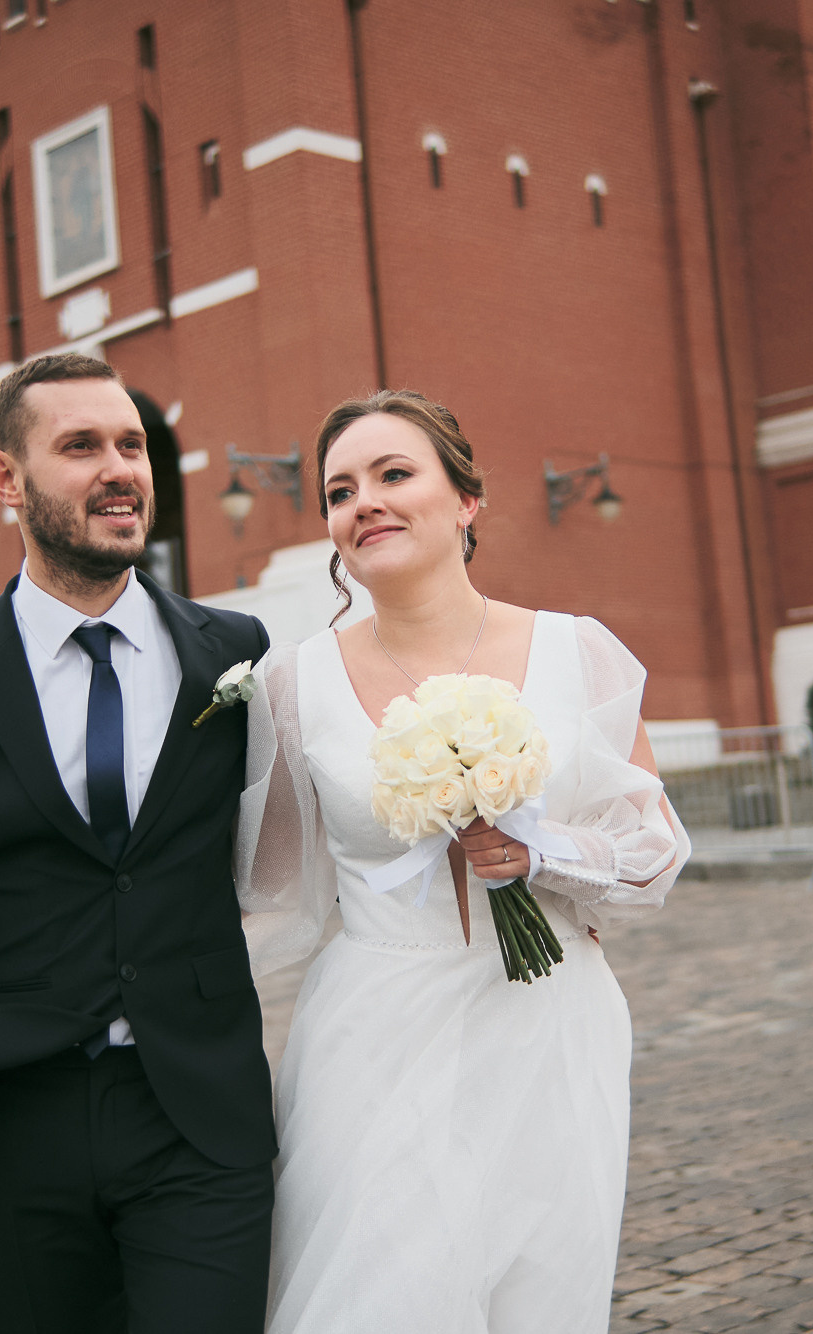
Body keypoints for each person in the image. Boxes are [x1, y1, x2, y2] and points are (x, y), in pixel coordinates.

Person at [236, 390, 691, 1333]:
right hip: (374, 1032)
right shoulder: (293, 684)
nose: (365, 501)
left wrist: (541, 854)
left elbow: (654, 850)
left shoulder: (577, 651)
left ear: (466, 500)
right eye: (340, 491)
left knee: (537, 1302)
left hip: (548, 1027)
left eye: (394, 474)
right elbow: (270, 899)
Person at [0, 353, 275, 1333]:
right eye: (80, 447)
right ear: (8, 477)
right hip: (19, 1127)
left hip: (201, 1119)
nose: (118, 469)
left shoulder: (234, 652)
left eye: (131, 445)